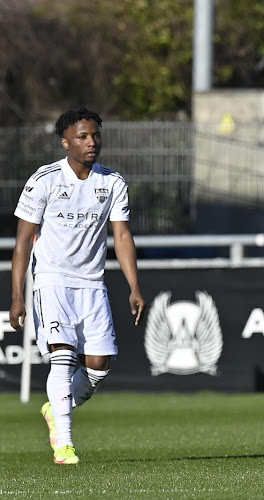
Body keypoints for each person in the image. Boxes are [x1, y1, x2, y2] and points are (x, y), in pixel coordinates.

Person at [9, 107, 145, 465]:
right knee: (63, 357)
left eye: (95, 135)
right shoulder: (45, 180)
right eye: (83, 137)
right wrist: (18, 296)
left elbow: (122, 235)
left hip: (91, 282)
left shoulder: (112, 182)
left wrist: (134, 287)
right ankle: (64, 445)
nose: (91, 142)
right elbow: (22, 242)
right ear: (65, 142)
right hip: (51, 280)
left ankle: (57, 408)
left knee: (99, 366)